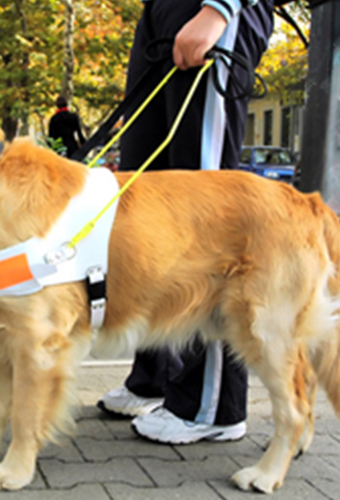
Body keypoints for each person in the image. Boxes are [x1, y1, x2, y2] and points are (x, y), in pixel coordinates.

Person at [96, 0, 274, 445]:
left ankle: (210, 404)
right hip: (160, 12)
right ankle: (155, 376)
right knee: (144, 208)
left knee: (203, 213)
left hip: (212, 9)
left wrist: (220, 9)